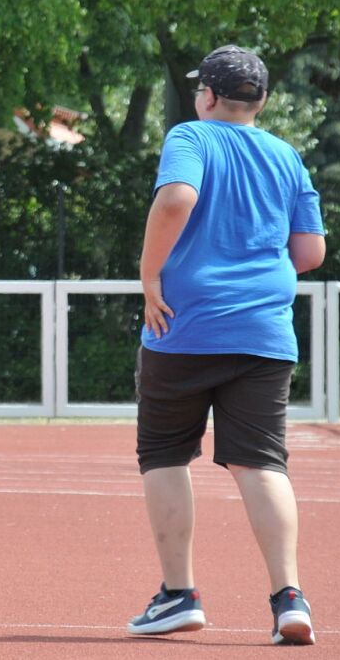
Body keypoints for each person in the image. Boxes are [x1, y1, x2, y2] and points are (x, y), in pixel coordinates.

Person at [128, 45, 324, 645]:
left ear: (208, 95)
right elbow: (310, 252)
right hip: (264, 333)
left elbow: (177, 199)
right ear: (260, 101)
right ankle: (289, 598)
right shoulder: (287, 156)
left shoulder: (193, 137)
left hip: (181, 327)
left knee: (164, 455)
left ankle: (179, 594)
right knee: (262, 464)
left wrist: (150, 274)